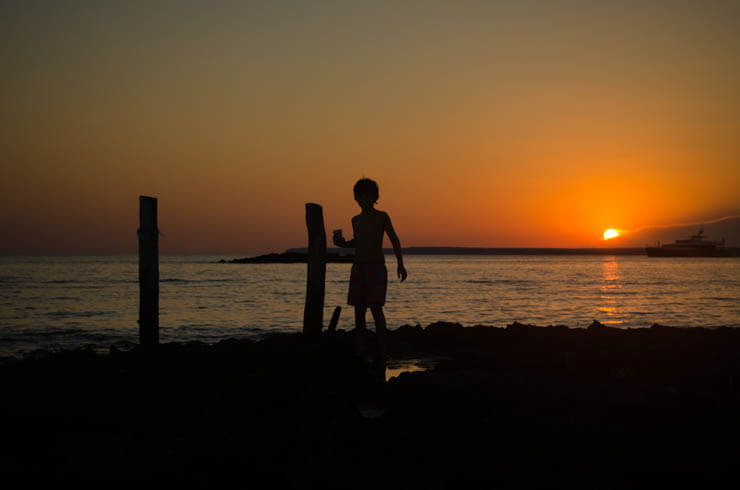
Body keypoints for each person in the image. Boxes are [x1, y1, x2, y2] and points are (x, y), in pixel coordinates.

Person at [334, 178, 407, 363]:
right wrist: (342, 243)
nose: (364, 199)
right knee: (359, 310)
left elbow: (394, 239)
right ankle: (361, 349)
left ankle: (382, 350)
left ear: (375, 197)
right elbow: (357, 242)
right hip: (358, 268)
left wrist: (400, 263)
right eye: (360, 196)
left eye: (368, 195)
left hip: (376, 267)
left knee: (376, 309)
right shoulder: (355, 220)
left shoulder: (382, 216)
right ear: (356, 198)